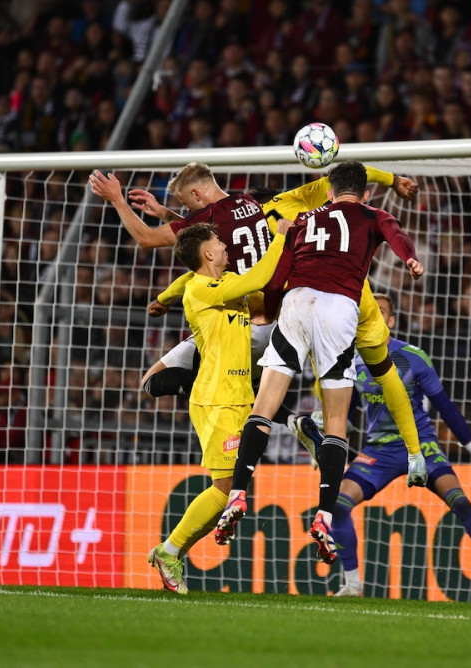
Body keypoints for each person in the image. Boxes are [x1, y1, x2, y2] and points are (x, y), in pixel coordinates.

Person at [90, 162, 427, 471]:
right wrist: (394, 180)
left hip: (239, 323)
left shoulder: (208, 224)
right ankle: (301, 423)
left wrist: (118, 200)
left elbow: (148, 239)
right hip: (289, 315)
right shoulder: (257, 204)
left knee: (157, 382)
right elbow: (341, 178)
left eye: (186, 205)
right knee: (360, 372)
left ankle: (268, 425)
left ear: (196, 194)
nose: (187, 212)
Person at [214, 161, 425, 564]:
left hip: (296, 302)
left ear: (329, 192)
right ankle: (325, 516)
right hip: (338, 307)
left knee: (265, 404)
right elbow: (396, 235)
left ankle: (238, 492)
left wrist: (270, 310)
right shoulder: (373, 214)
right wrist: (410, 259)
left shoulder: (302, 220)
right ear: (364, 194)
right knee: (335, 423)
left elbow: (277, 275)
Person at [331, 292, 471, 599]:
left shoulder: (412, 357)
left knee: (463, 504)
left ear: (391, 321)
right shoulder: (350, 360)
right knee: (338, 505)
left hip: (423, 446)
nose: (370, 316)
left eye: (380, 312)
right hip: (379, 450)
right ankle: (352, 585)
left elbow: (446, 407)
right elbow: (346, 416)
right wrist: (327, 446)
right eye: (366, 312)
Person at [145, 220, 289, 595]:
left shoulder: (225, 288)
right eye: (219, 242)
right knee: (225, 489)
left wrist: (163, 297)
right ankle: (170, 550)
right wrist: (281, 237)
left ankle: (171, 552)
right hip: (215, 400)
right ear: (207, 254)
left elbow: (264, 288)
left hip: (240, 396)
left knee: (231, 489)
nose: (226, 246)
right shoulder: (203, 289)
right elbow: (258, 278)